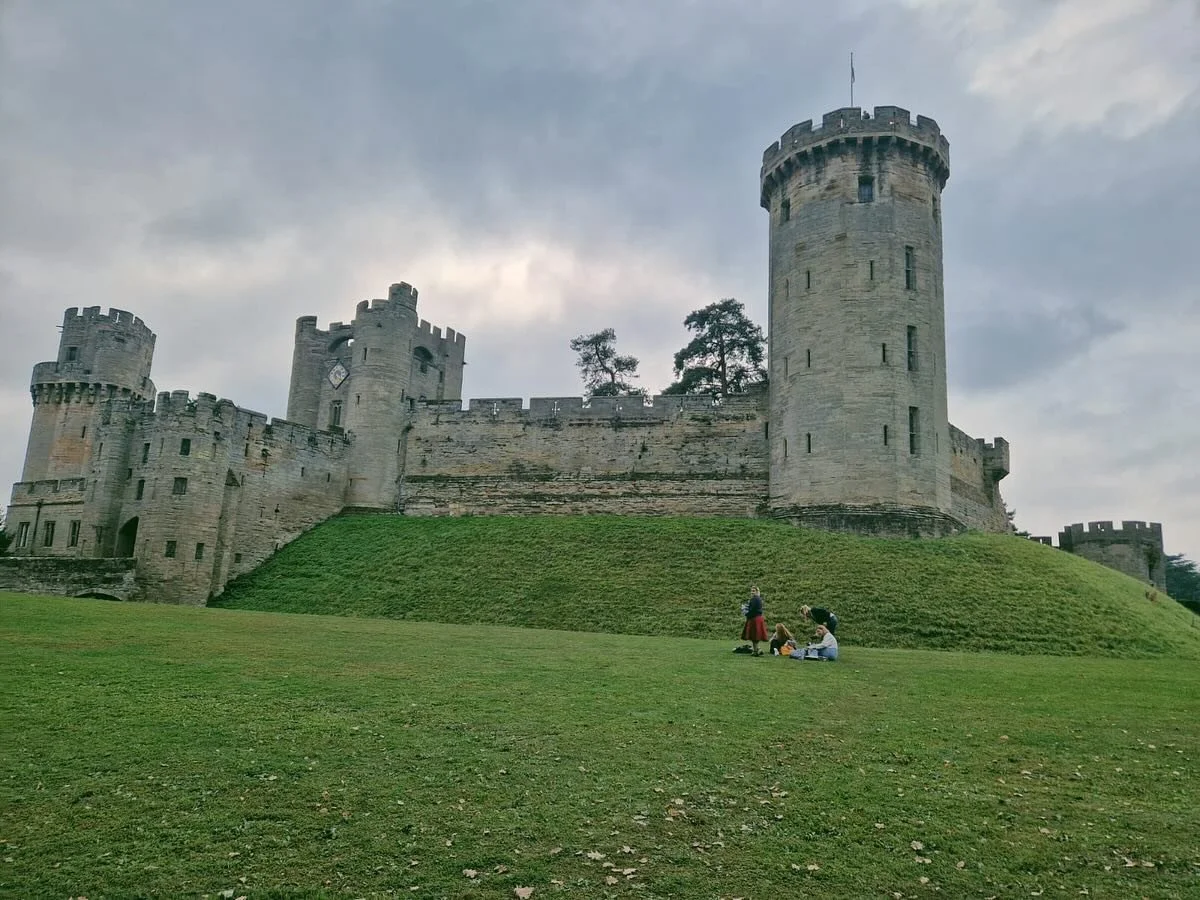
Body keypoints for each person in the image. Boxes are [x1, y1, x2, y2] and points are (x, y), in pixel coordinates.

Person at [739, 586, 769, 656]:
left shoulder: (754, 599)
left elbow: (752, 610)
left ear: (757, 591)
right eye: (751, 591)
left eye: (753, 591)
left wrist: (747, 614)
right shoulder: (758, 599)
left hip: (754, 618)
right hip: (757, 618)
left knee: (754, 636)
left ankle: (756, 651)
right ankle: (757, 649)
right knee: (755, 636)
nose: (752, 592)